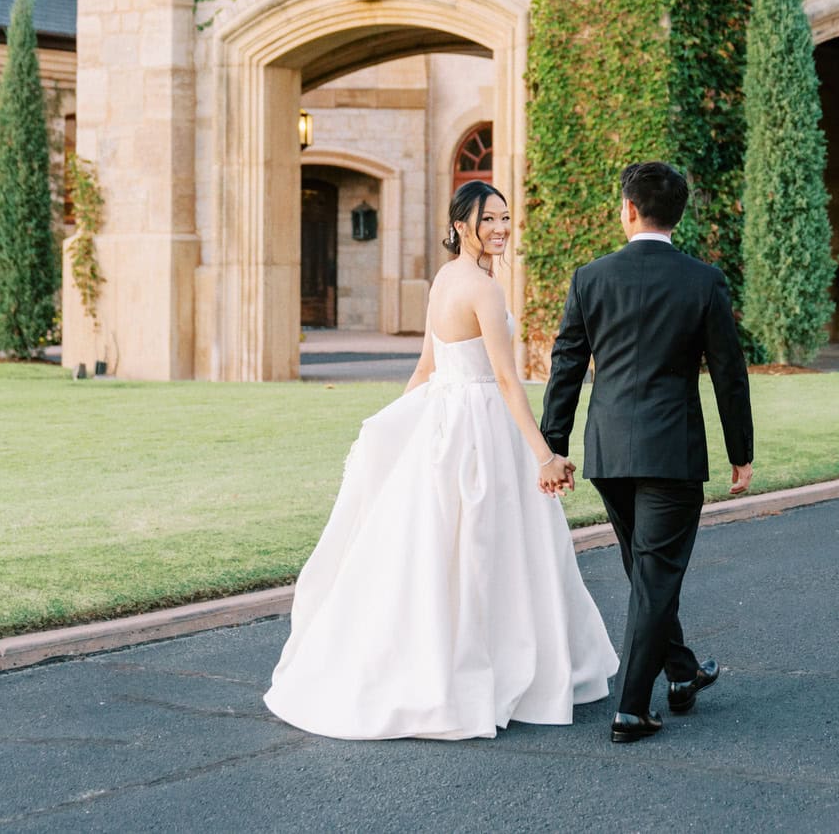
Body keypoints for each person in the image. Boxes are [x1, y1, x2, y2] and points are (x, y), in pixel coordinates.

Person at [263, 181, 617, 741]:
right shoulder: (481, 288)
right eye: (490, 219)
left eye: (506, 218)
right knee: (486, 544)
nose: (501, 228)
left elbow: (428, 367)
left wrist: (397, 426)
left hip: (444, 421)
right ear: (461, 224)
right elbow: (503, 379)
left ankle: (448, 661)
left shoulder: (444, 280)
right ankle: (490, 668)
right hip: (478, 425)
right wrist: (544, 454)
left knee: (446, 545)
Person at [541, 161, 754, 744]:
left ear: (628, 210)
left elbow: (566, 366)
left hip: (609, 450)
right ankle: (631, 709)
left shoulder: (590, 277)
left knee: (647, 572)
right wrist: (742, 451)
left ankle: (682, 675)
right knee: (655, 575)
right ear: (676, 216)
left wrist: (552, 445)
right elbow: (729, 375)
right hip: (672, 452)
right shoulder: (703, 280)